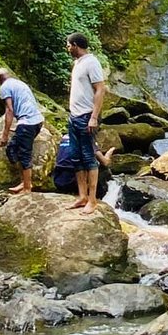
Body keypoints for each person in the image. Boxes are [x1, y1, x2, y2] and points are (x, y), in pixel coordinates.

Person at [65, 33, 107, 212]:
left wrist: (94, 117)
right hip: (74, 116)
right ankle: (82, 196)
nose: (67, 49)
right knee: (75, 156)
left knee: (89, 157)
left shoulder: (92, 62)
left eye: (68, 45)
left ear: (75, 45)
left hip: (86, 116)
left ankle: (92, 200)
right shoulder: (77, 63)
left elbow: (100, 89)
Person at [0, 68, 44, 194]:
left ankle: (27, 188)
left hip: (28, 123)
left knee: (24, 155)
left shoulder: (4, 87)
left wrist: (4, 135)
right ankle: (24, 182)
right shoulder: (20, 83)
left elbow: (9, 110)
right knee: (11, 149)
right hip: (35, 121)